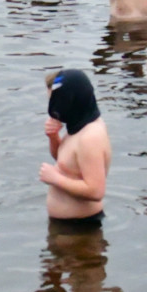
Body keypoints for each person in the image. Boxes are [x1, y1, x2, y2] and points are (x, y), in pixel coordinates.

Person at [39, 69, 111, 225]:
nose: (54, 109)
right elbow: (66, 161)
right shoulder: (78, 125)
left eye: (56, 101)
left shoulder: (90, 137)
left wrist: (55, 179)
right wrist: (53, 137)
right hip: (66, 227)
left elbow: (96, 190)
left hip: (81, 230)